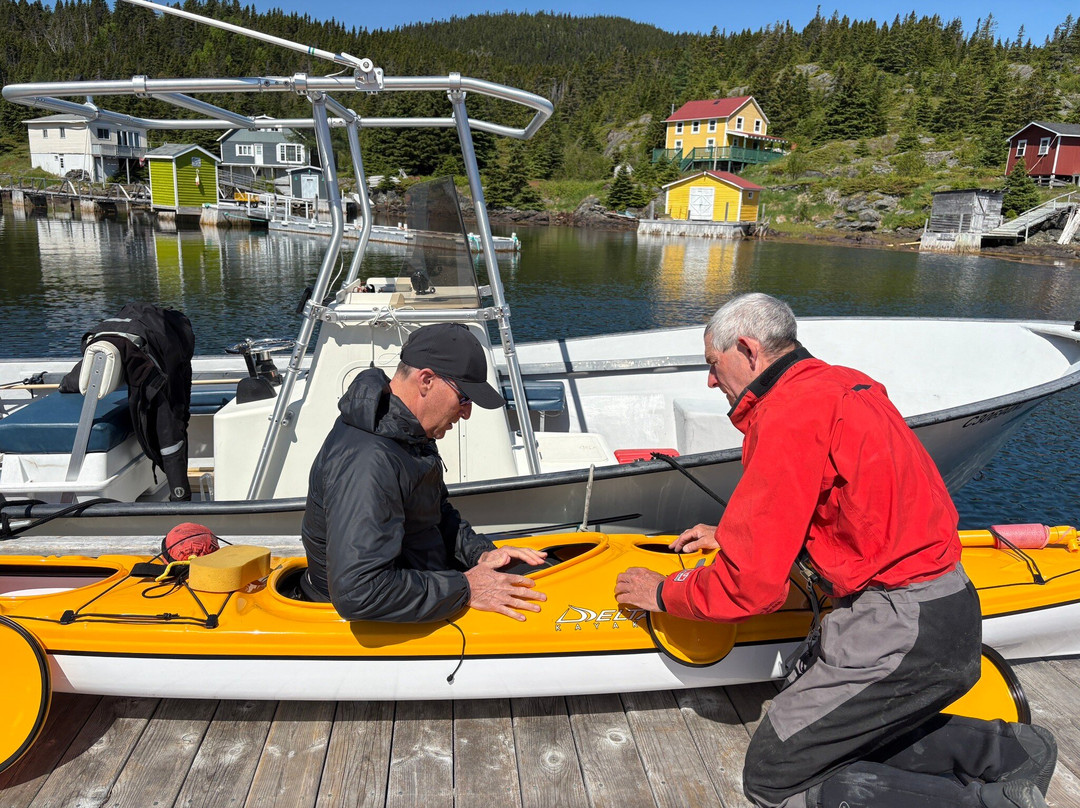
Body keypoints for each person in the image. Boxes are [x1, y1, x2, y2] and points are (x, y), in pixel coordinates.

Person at [615, 293, 1057, 808]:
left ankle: (994, 804)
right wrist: (735, 532)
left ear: (747, 350)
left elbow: (751, 590)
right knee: (838, 736)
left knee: (775, 778)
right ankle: (1008, 753)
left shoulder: (787, 415)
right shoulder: (844, 383)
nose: (711, 381)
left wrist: (665, 593)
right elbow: (849, 504)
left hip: (901, 625)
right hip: (950, 605)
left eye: (713, 364)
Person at [300, 322, 547, 622]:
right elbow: (359, 592)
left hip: (426, 582)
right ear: (426, 380)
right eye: (464, 397)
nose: (467, 412)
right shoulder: (369, 460)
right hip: (371, 617)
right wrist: (466, 587)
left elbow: (434, 516)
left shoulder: (406, 432)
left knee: (542, 573)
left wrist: (479, 554)